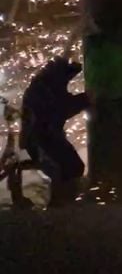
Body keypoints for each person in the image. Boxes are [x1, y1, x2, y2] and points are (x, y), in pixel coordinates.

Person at [19, 56, 90, 207]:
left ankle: (61, 202)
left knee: (71, 168)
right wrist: (86, 99)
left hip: (44, 137)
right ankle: (59, 205)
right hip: (40, 140)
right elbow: (60, 108)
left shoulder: (42, 85)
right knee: (68, 168)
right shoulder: (45, 90)